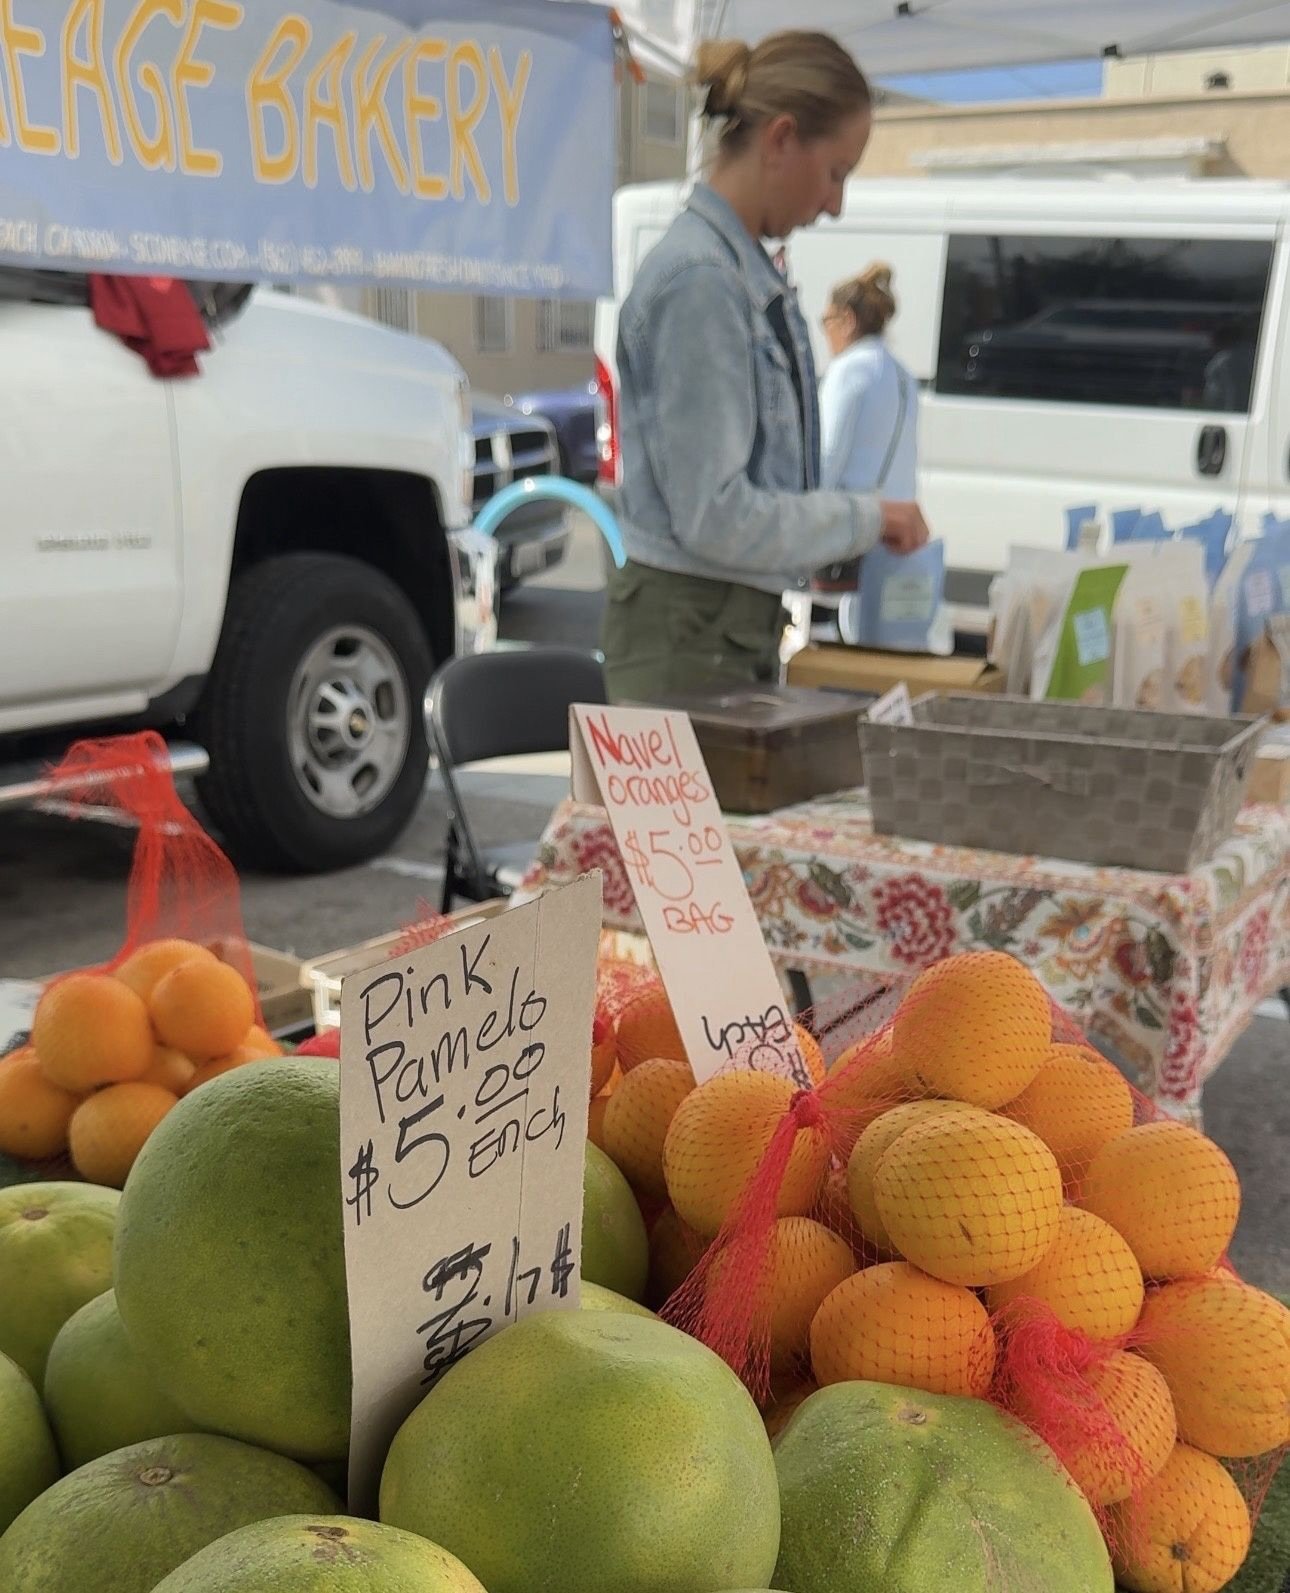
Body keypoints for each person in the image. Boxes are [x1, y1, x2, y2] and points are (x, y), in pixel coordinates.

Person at [601, 30, 930, 701]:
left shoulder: (737, 274)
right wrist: (866, 518)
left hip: (711, 631)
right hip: (691, 640)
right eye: (836, 172)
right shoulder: (703, 283)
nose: (835, 204)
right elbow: (715, 516)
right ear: (781, 139)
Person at [817, 266, 921, 641]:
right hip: (892, 538)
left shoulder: (848, 370)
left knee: (832, 641)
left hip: (848, 537)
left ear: (847, 320)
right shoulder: (904, 376)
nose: (824, 333)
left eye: (826, 321)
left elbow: (826, 457)